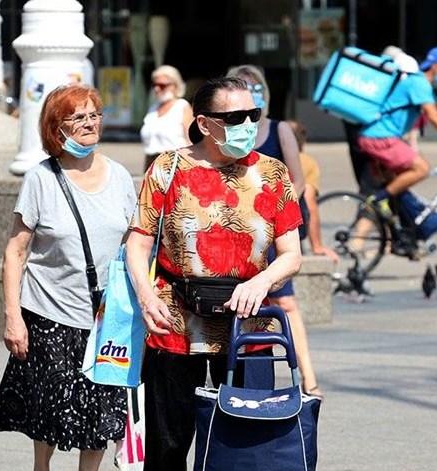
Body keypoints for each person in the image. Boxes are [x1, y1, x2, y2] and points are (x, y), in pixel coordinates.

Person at [125, 77, 303, 469]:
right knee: (167, 446)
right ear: (205, 124)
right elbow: (137, 243)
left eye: (253, 115)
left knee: (246, 447)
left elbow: (292, 255)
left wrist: (261, 281)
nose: (248, 126)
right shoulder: (168, 168)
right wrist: (146, 295)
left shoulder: (272, 173)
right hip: (173, 323)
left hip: (247, 327)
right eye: (236, 117)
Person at [0, 84, 135, 471]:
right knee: (49, 410)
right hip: (50, 313)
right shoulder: (41, 179)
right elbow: (15, 251)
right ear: (58, 128)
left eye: (94, 115)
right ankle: (43, 467)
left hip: (107, 320)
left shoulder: (120, 176)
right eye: (78, 118)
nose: (90, 124)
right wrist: (12, 316)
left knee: (101, 411)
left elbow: (133, 246)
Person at [227, 64, 321, 396]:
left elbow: (296, 180)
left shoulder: (279, 130)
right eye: (243, 88)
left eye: (256, 89)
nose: (251, 95)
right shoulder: (225, 133)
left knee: (286, 305)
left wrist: (270, 211)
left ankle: (308, 378)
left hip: (273, 229)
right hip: (237, 233)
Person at [359, 46, 437, 225]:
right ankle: (377, 201)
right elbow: (433, 116)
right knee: (421, 168)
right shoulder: (418, 83)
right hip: (380, 138)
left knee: (400, 186)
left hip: (384, 138)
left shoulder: (422, 85)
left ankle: (403, 237)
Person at [286, 120, 338, 263]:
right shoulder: (306, 162)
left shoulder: (263, 158)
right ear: (302, 141)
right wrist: (317, 246)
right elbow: (310, 205)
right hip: (288, 228)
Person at [140, 65, 193, 172]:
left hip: (175, 164)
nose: (157, 89)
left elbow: (191, 141)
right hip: (151, 163)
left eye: (162, 85)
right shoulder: (153, 108)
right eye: (154, 85)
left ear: (175, 85)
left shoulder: (182, 106)